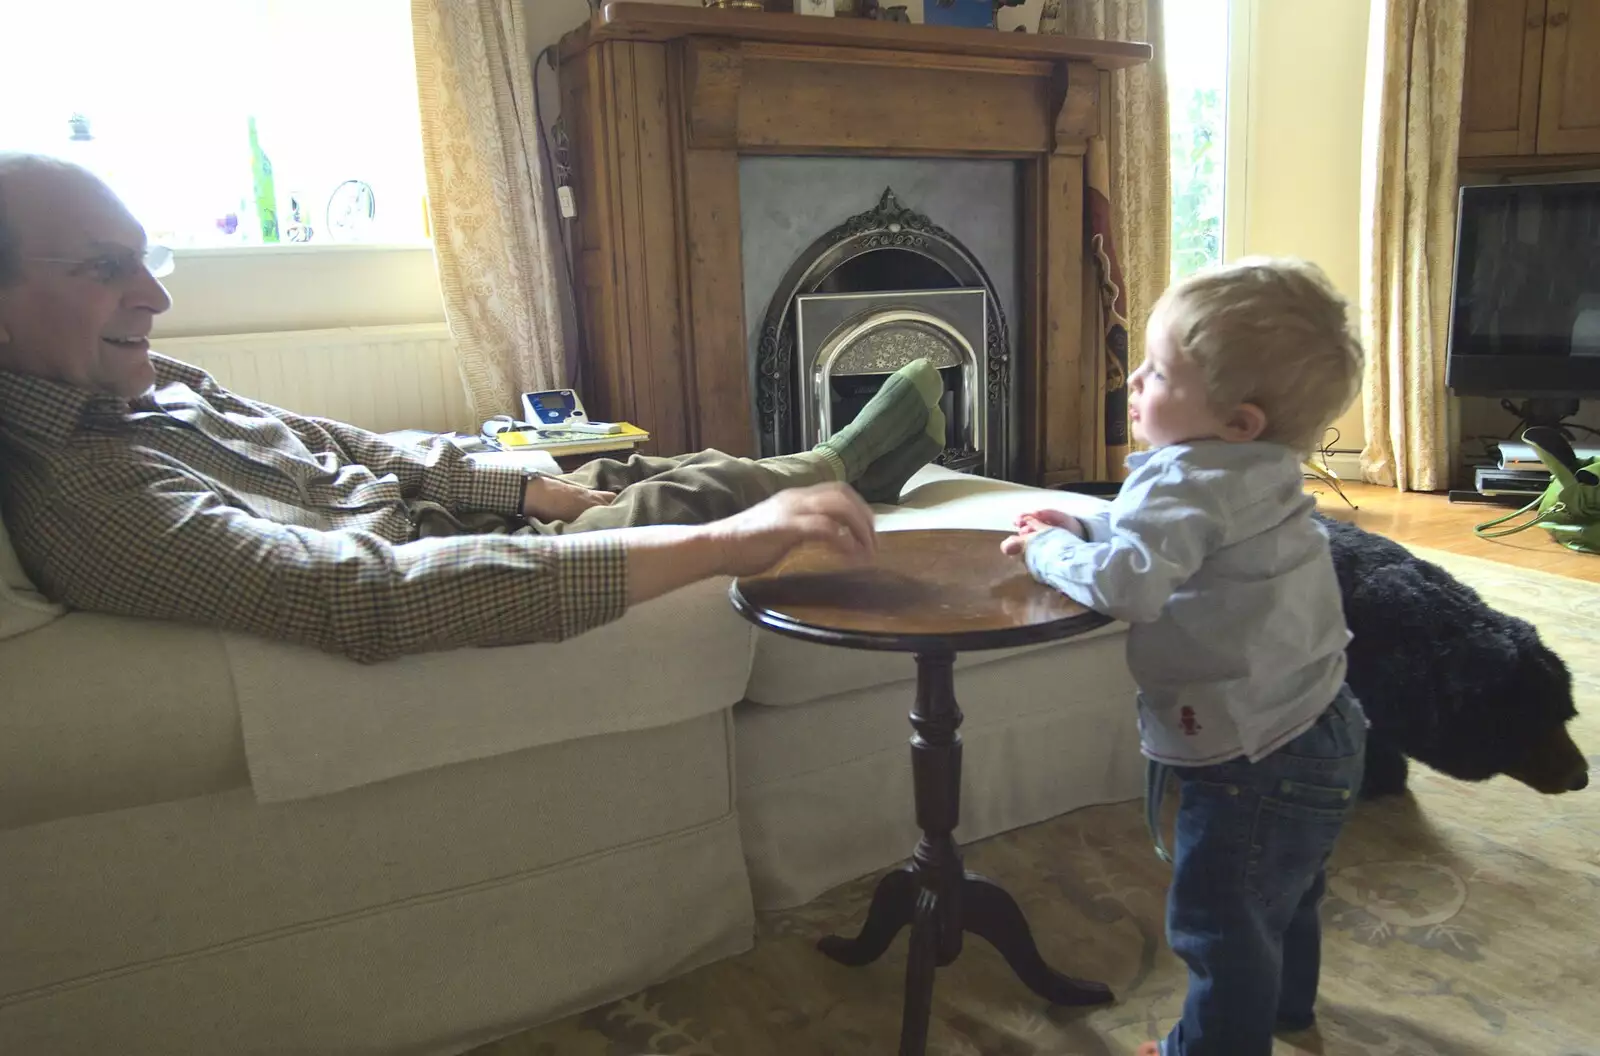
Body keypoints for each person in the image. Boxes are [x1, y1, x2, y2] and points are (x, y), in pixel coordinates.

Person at [0, 153, 948, 662]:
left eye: (144, 259)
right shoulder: (84, 492)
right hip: (439, 558)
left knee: (627, 469)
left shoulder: (143, 380)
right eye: (100, 269)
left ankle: (847, 465)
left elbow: (332, 438)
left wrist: (514, 483)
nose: (155, 300)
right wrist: (723, 548)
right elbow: (354, 595)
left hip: (446, 512)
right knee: (692, 500)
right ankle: (848, 463)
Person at [1000, 258, 1368, 1056]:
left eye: (1160, 371)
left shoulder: (1191, 480)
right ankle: (1286, 1011)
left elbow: (1131, 586)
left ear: (1239, 421)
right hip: (1325, 723)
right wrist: (1088, 524)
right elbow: (1184, 545)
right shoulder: (1260, 470)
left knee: (1218, 922)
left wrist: (1049, 553)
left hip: (1252, 753)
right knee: (1288, 892)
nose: (1134, 379)